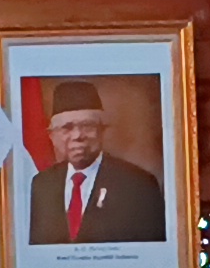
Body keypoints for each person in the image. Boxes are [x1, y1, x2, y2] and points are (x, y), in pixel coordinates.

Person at [26, 79, 167, 246]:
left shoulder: (138, 185)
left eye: (87, 126)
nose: (77, 136)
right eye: (67, 128)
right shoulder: (41, 185)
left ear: (102, 131)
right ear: (52, 136)